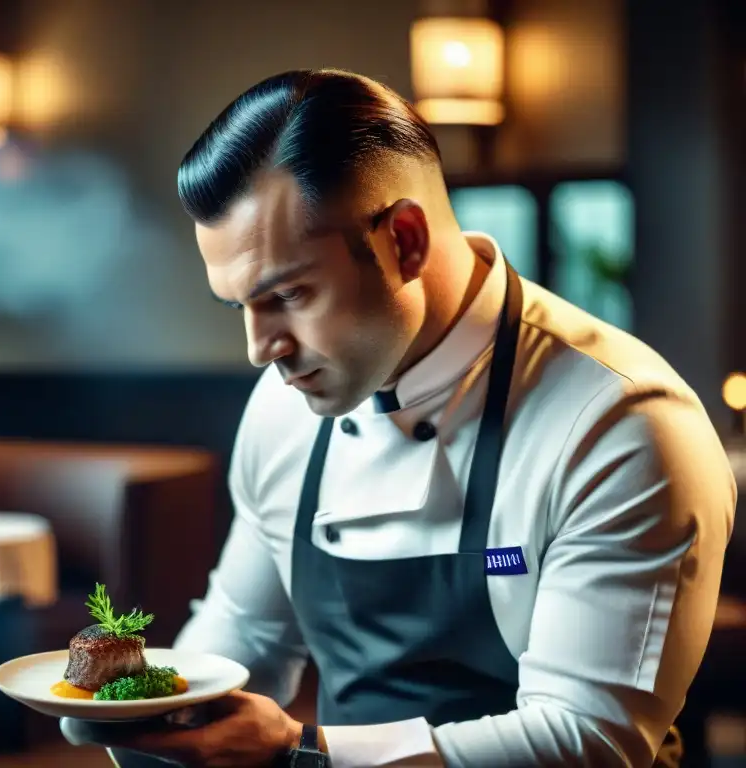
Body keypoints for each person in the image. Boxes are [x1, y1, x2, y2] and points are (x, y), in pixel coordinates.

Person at [61, 69, 736, 767]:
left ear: (405, 241)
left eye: (290, 294)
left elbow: (588, 739)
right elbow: (245, 635)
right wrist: (145, 724)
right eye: (241, 308)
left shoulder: (621, 427)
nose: (262, 349)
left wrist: (304, 754)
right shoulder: (283, 406)